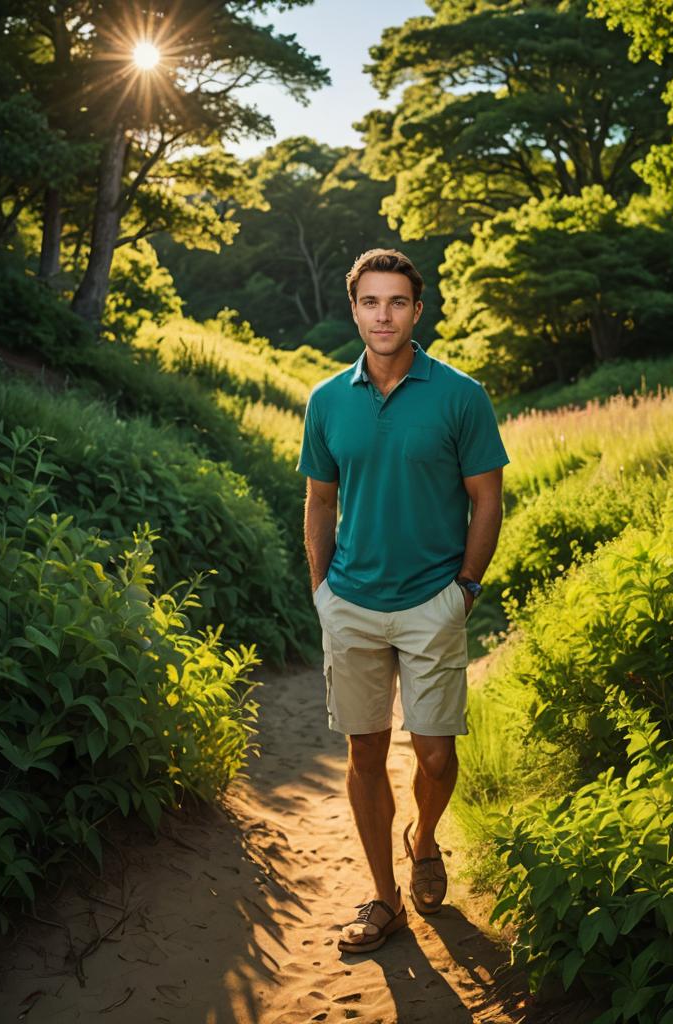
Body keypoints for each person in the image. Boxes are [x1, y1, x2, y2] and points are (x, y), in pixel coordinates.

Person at [297, 248, 508, 954]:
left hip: (433, 601)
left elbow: (487, 498)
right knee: (364, 751)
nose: (382, 315)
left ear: (418, 311)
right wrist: (322, 591)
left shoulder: (460, 394)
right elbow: (319, 501)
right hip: (351, 602)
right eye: (369, 302)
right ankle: (384, 899)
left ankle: (424, 838)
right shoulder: (326, 399)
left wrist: (466, 588)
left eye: (396, 303)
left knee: (438, 755)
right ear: (354, 309)